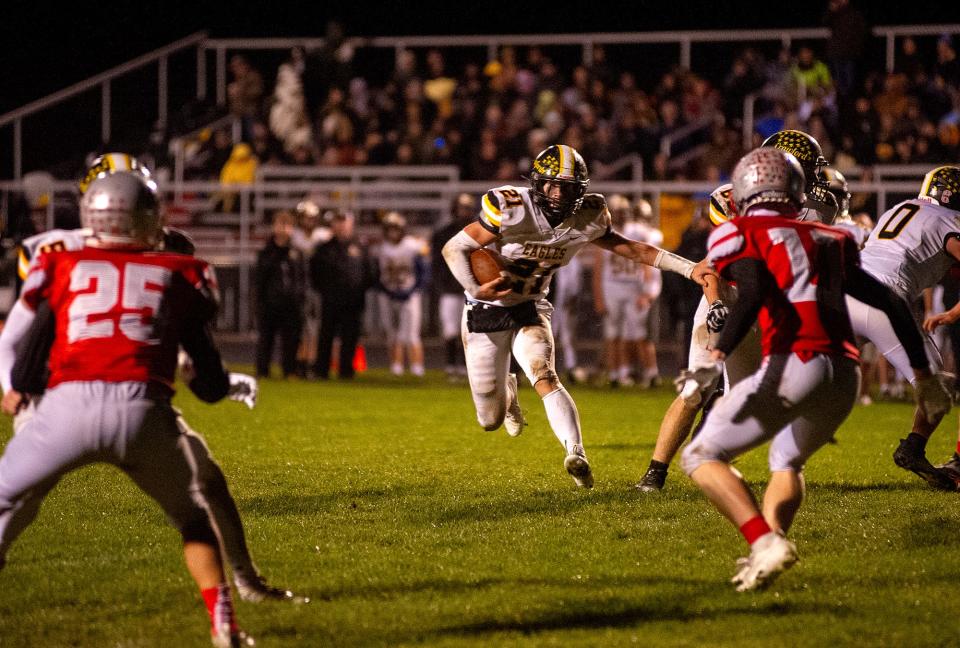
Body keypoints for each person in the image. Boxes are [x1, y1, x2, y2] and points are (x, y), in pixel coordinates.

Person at [0, 172, 285, 646]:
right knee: (194, 518)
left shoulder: (60, 264)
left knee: (6, 503)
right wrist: (215, 387)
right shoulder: (180, 271)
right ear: (148, 219)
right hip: (144, 410)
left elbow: (30, 360)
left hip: (66, 409)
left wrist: (24, 391)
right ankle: (225, 625)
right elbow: (210, 380)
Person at [680, 148, 948, 591]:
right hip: (844, 375)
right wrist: (923, 375)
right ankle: (766, 553)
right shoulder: (832, 237)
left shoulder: (737, 231)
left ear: (744, 190)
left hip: (795, 360)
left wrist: (716, 357)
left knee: (701, 456)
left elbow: (748, 294)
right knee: (787, 461)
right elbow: (888, 300)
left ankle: (764, 541)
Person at [442, 144, 714, 488]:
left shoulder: (589, 214)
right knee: (489, 419)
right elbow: (454, 247)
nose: (558, 194)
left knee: (545, 375)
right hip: (486, 309)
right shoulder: (510, 207)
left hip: (530, 306)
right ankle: (508, 395)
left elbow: (634, 249)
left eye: (567, 187)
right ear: (538, 184)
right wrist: (476, 287)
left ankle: (576, 453)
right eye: (552, 185)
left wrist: (690, 270)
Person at [637, 129, 842, 492]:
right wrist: (716, 303)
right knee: (696, 387)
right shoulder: (731, 200)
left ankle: (713, 461)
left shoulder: (821, 205)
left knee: (745, 396)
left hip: (769, 307)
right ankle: (655, 473)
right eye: (804, 167)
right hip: (728, 296)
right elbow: (714, 264)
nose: (811, 177)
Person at [851, 166, 960, 489]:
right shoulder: (950, 221)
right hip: (883, 299)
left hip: (844, 290)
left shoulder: (899, 209)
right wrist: (953, 313)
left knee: (815, 371)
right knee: (938, 387)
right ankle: (913, 447)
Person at [593, 195, 658, 387]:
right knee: (613, 333)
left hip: (632, 287)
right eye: (617, 212)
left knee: (638, 332)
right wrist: (599, 297)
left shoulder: (637, 231)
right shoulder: (604, 234)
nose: (620, 216)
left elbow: (646, 260)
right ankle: (616, 374)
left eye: (623, 212)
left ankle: (647, 373)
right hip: (611, 286)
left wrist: (646, 290)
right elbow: (598, 269)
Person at [310, 211, 378, 380]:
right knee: (326, 335)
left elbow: (371, 272)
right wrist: (325, 290)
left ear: (351, 224)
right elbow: (314, 273)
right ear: (332, 225)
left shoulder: (360, 247)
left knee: (350, 337)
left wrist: (360, 289)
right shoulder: (324, 248)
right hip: (331, 299)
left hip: (353, 300)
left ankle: (346, 371)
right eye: (337, 222)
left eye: (344, 222)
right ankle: (321, 370)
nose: (341, 226)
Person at [255, 210, 306, 379]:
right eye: (280, 225)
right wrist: (260, 301)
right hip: (271, 302)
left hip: (292, 304)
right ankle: (263, 371)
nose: (283, 229)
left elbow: (302, 278)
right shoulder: (267, 252)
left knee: (291, 340)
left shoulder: (297, 252)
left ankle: (289, 370)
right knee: (266, 339)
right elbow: (260, 279)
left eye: (287, 225)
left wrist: (300, 297)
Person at [376, 212, 429, 377]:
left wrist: (415, 288)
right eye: (390, 229)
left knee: (412, 333)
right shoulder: (381, 248)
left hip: (409, 292)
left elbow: (424, 261)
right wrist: (385, 290)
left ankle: (416, 366)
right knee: (391, 332)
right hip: (388, 292)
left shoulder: (411, 245)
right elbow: (376, 273)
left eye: (396, 229)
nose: (393, 233)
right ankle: (396, 365)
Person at [431, 194, 475, 380]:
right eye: (461, 208)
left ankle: (467, 366)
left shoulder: (478, 231)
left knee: (470, 331)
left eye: (466, 208)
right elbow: (437, 262)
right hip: (450, 287)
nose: (463, 212)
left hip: (472, 288)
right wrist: (440, 284)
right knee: (450, 330)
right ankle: (451, 364)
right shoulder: (444, 233)